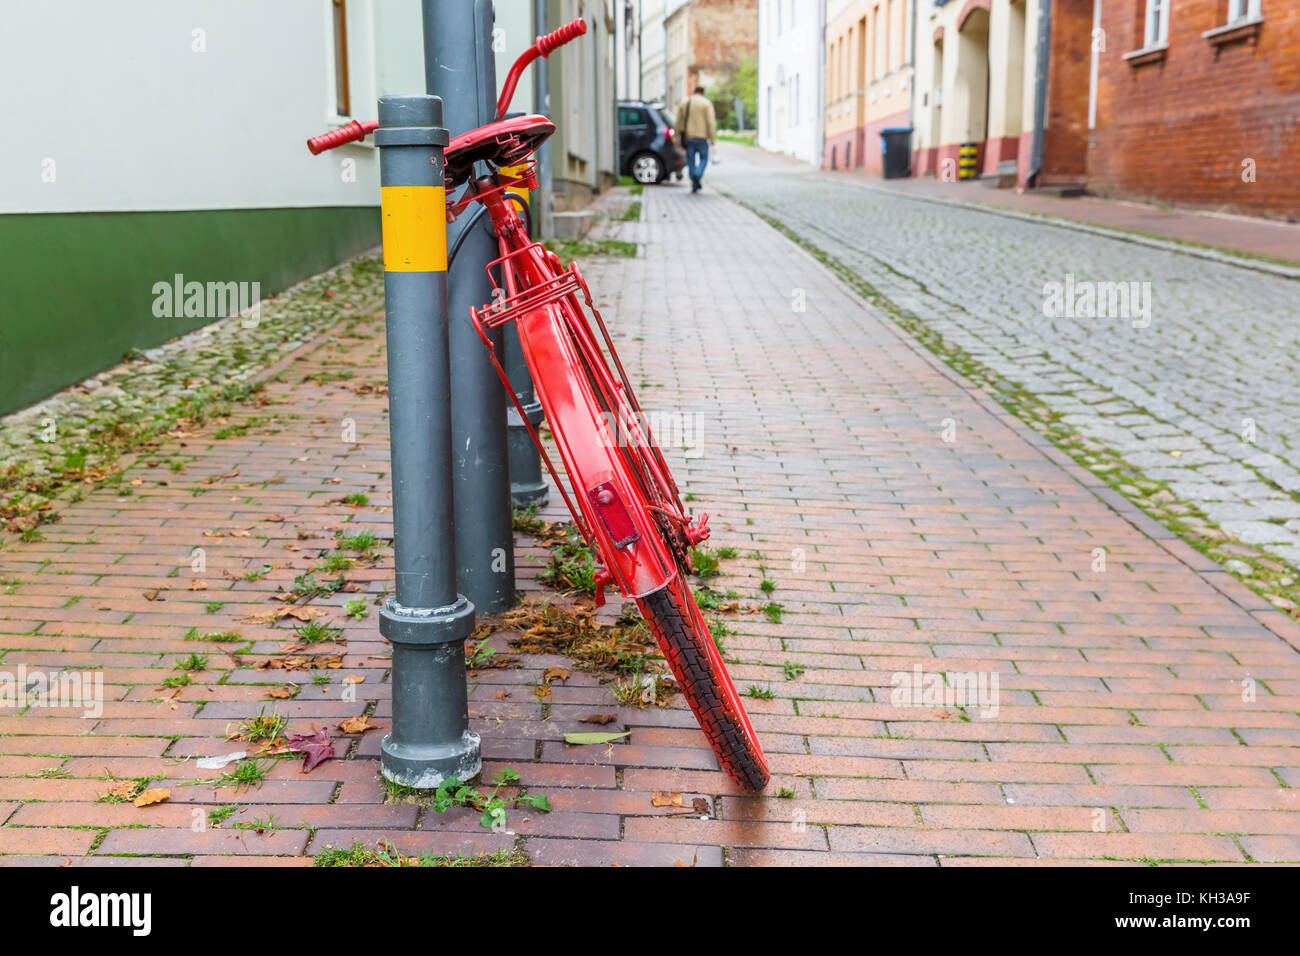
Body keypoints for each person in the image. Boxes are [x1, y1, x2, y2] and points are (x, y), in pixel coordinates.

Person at [677, 85, 716, 193]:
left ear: (694, 92)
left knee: (691, 161)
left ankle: (694, 183)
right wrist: (712, 138)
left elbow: (679, 121)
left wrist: (675, 136)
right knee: (704, 158)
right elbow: (711, 122)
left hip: (689, 137)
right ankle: (698, 175)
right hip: (702, 138)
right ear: (703, 92)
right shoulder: (706, 103)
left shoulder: (685, 102)